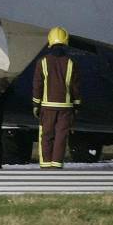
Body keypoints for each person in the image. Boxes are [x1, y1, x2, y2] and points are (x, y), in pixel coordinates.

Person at [32, 26, 80, 169]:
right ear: (66, 42)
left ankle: (46, 164)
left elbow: (37, 85)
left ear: (50, 41)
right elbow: (75, 87)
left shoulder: (42, 62)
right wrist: (77, 105)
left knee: (46, 135)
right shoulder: (71, 63)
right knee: (61, 136)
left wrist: (36, 104)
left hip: (47, 106)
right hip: (65, 107)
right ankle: (57, 164)